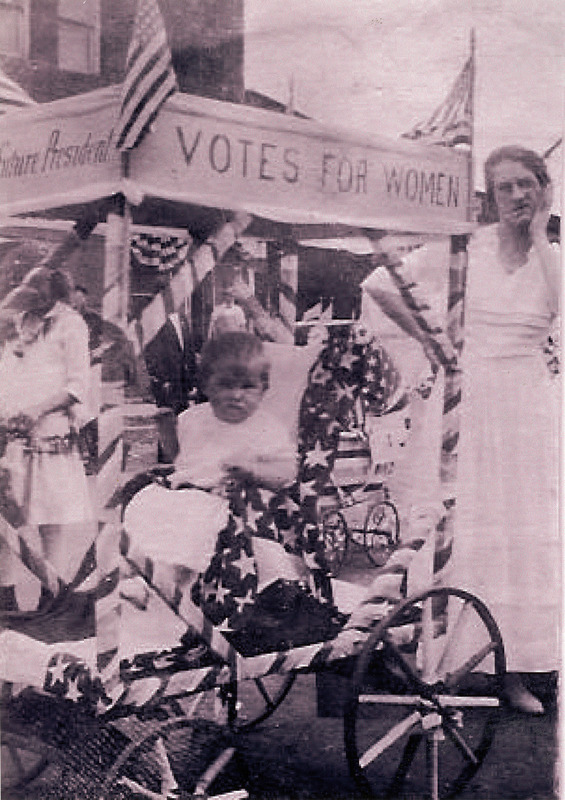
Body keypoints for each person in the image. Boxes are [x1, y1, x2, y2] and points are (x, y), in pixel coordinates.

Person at [363, 146, 560, 714]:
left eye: (528, 184)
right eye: (506, 188)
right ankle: (444, 660)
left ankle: (515, 672)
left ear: (543, 187)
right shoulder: (463, 250)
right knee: (462, 525)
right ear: (490, 197)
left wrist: (544, 234)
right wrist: (432, 344)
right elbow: (380, 283)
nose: (518, 196)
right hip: (466, 400)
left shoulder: (553, 257)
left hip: (526, 406)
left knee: (522, 534)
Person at [124, 331, 297, 579]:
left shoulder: (267, 427)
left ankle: (189, 581)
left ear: (263, 389)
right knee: (145, 506)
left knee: (200, 526)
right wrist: (167, 431)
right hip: (185, 493)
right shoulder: (194, 418)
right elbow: (182, 459)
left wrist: (252, 470)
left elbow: (287, 472)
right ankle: (151, 574)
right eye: (226, 385)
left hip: (232, 500)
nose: (237, 395)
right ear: (206, 385)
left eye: (248, 387)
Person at [0, 267, 96, 587]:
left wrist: (37, 410)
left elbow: (78, 385)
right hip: (13, 435)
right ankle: (6, 595)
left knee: (51, 522)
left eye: (37, 291)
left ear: (54, 292)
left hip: (50, 434)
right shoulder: (15, 322)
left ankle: (53, 596)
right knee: (7, 519)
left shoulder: (71, 324)